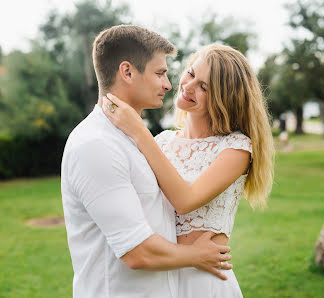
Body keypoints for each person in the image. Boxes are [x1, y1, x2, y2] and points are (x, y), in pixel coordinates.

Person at [61, 26, 233, 298]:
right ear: (127, 72)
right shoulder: (96, 145)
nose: (168, 84)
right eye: (160, 73)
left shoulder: (134, 139)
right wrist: (195, 255)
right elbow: (137, 252)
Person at [102, 44, 275, 297]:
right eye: (192, 74)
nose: (188, 86)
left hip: (203, 281)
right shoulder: (162, 142)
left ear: (223, 99)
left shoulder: (236, 148)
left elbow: (185, 201)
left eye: (204, 87)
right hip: (160, 276)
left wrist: (138, 131)